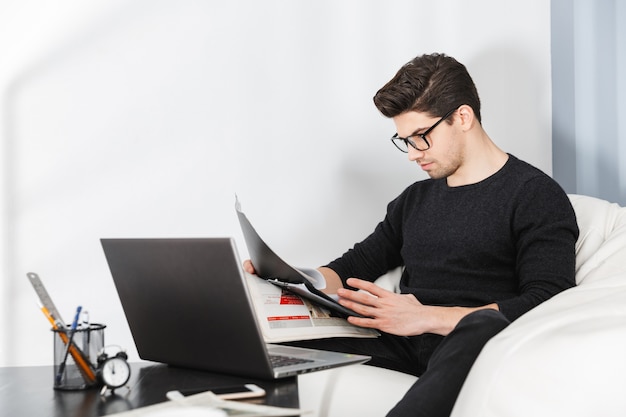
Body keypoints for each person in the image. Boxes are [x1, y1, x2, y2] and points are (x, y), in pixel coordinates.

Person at [244, 53, 579, 417]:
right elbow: (352, 266)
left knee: (480, 324)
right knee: (261, 334)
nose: (412, 154)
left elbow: (549, 297)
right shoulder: (415, 199)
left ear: (462, 117)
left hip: (473, 339)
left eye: (421, 137)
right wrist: (283, 280)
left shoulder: (533, 194)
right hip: (401, 340)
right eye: (404, 140)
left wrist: (427, 317)